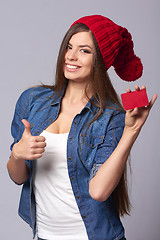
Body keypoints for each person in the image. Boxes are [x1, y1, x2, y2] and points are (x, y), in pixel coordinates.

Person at [7, 15, 157, 240]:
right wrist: (17, 154)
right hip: (44, 235)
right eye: (69, 47)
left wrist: (131, 132)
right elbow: (18, 177)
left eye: (84, 50)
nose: (71, 56)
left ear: (100, 60)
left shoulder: (110, 116)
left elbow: (98, 191)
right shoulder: (32, 101)